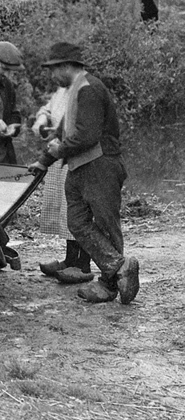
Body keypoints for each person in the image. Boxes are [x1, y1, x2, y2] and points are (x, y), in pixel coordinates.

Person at [28, 42, 139, 304]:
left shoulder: (89, 89)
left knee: (106, 225)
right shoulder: (75, 89)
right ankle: (119, 267)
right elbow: (64, 131)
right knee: (76, 222)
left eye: (54, 70)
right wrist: (43, 161)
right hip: (79, 167)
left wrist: (56, 152)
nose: (52, 77)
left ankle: (109, 285)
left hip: (101, 166)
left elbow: (86, 136)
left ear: (66, 66)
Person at [32, 87, 93, 283]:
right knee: (64, 208)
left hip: (79, 157)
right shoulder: (61, 91)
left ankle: (83, 265)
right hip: (59, 153)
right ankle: (69, 260)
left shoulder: (86, 91)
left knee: (80, 209)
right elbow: (48, 109)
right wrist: (42, 118)